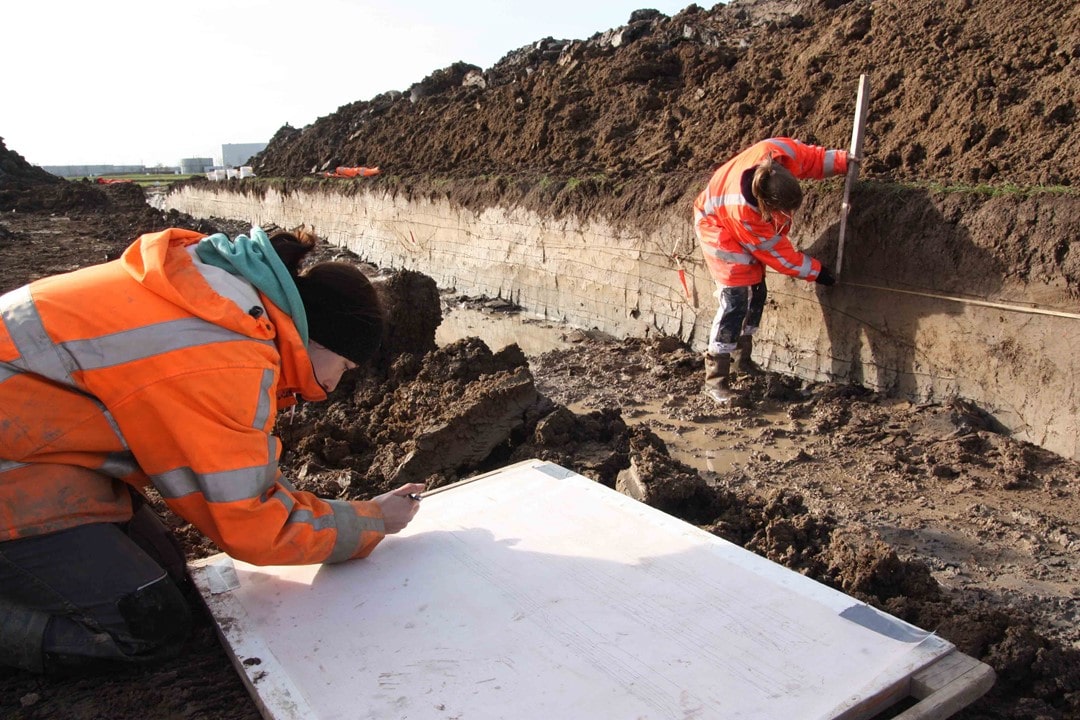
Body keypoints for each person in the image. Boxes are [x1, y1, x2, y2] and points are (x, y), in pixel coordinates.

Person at [0, 225, 424, 674]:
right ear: (317, 341)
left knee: (170, 573)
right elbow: (253, 524)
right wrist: (373, 521)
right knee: (150, 622)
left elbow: (239, 469)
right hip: (17, 463)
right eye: (344, 366)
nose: (335, 385)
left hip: (38, 446)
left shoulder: (223, 304)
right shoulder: (223, 354)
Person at [693, 137, 850, 404]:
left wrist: (842, 161)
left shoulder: (779, 153)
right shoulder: (745, 213)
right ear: (766, 204)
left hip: (729, 213)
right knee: (735, 299)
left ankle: (743, 361)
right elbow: (779, 256)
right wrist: (818, 272)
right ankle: (716, 379)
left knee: (758, 290)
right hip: (716, 225)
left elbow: (809, 157)